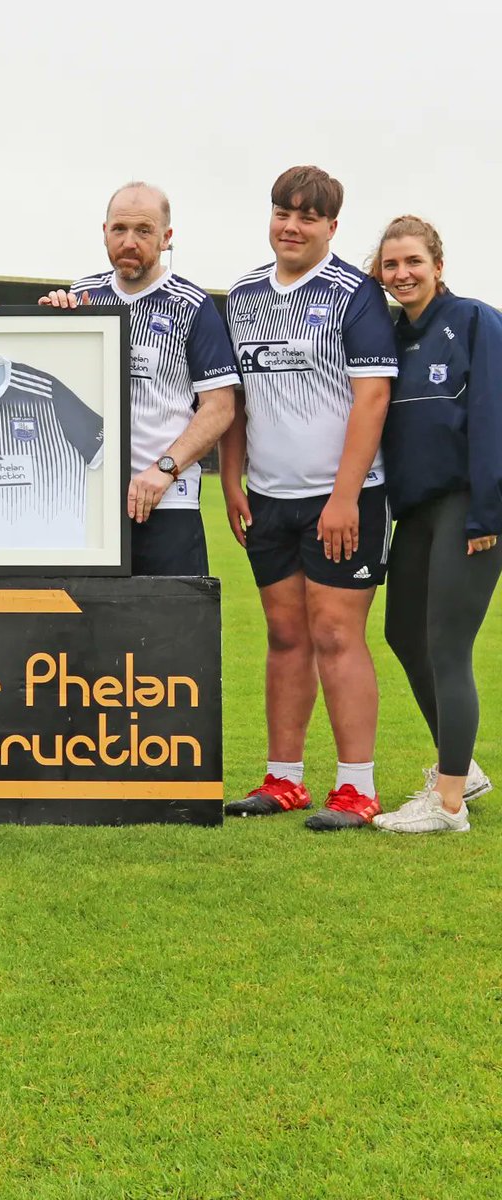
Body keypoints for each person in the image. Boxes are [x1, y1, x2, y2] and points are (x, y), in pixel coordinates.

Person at [219, 165, 398, 831]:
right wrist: (233, 479)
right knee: (285, 634)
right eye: (282, 212)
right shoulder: (241, 294)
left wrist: (345, 497)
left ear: (331, 227)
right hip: (269, 497)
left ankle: (357, 788)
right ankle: (284, 779)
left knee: (334, 633)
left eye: (307, 216)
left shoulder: (356, 293)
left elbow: (372, 396)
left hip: (343, 498)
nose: (291, 226)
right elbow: (234, 399)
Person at [364, 216, 501, 833]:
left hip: (470, 504)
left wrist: (487, 512)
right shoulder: (390, 333)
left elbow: (494, 416)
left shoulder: (475, 320)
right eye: (390, 266)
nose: (402, 274)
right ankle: (462, 769)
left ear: (438, 265)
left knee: (448, 644)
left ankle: (447, 805)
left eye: (413, 262)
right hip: (416, 509)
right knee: (402, 632)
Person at [37, 182, 238, 574]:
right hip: (87, 504)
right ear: (104, 232)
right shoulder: (80, 299)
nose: (129, 242)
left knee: (170, 632)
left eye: (144, 231)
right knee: (83, 634)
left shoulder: (192, 306)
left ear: (166, 238)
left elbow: (220, 407)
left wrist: (164, 470)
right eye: (119, 229)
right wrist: (49, 326)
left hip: (167, 500)